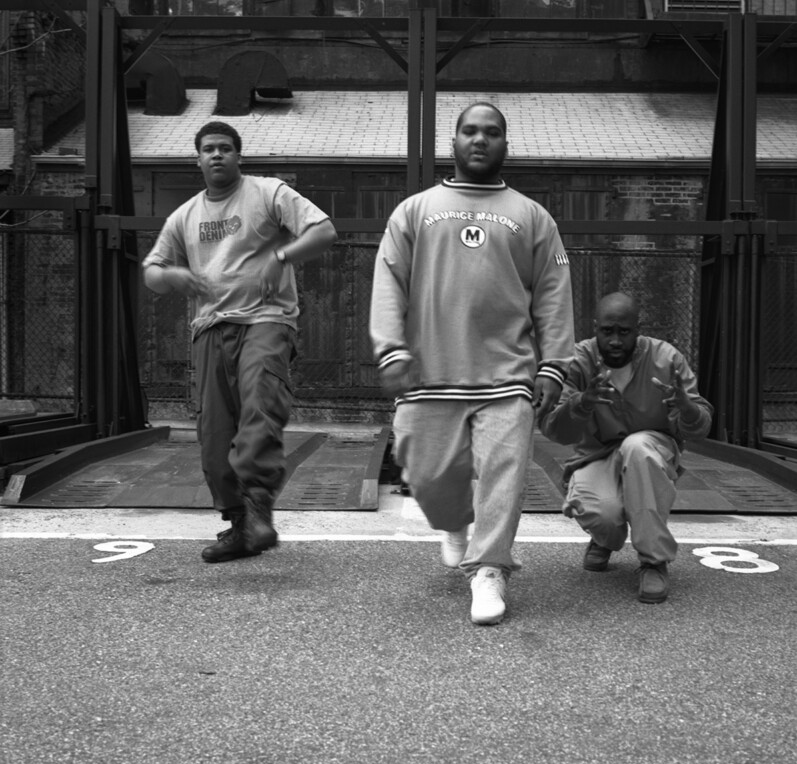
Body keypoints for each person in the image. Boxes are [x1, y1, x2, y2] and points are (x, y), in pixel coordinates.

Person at [369, 102, 575, 625]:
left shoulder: (533, 216)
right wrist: (390, 348)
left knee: (503, 477)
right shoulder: (414, 210)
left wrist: (554, 365)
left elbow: (553, 295)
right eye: (470, 131)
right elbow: (388, 281)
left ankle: (489, 571)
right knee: (427, 474)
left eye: (491, 132)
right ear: (454, 141)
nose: (480, 140)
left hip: (507, 375)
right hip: (428, 374)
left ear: (505, 143)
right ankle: (453, 523)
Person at [142, 121, 337, 563]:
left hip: (266, 320)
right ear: (197, 159)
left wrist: (281, 256)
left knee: (259, 402)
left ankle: (258, 505)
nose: (217, 155)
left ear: (238, 156)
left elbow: (324, 230)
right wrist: (172, 275)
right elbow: (151, 273)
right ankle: (240, 526)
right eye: (208, 149)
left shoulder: (268, 193)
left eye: (225, 149)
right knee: (214, 434)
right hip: (210, 327)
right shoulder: (185, 216)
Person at [539, 292, 713, 604]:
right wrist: (580, 403)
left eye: (624, 332)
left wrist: (686, 407)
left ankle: (653, 562)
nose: (616, 341)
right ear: (595, 328)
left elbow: (701, 427)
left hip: (652, 449)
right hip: (597, 454)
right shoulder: (578, 361)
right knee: (603, 515)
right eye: (607, 331)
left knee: (637, 447)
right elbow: (553, 429)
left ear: (638, 329)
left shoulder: (667, 359)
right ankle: (604, 538)